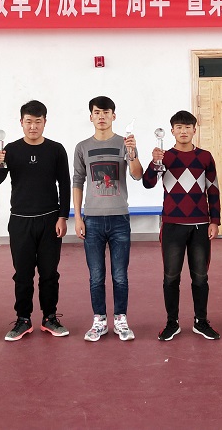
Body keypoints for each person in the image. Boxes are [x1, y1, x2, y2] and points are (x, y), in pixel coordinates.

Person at [0, 100, 71, 342]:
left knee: (49, 273)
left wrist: (62, 216)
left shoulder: (56, 149)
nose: (33, 126)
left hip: (49, 220)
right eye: (28, 122)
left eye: (37, 122)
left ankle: (50, 317)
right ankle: (23, 319)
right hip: (20, 221)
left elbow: (65, 185)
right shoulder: (11, 150)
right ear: (21, 123)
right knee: (22, 274)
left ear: (45, 122)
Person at [143, 110, 222, 341]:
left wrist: (215, 221)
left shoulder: (205, 157)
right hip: (172, 225)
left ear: (194, 130)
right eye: (179, 127)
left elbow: (213, 190)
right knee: (171, 277)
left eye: (188, 127)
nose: (183, 131)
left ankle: (201, 321)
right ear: (172, 131)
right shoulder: (164, 157)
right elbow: (148, 183)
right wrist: (154, 162)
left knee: (200, 276)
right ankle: (172, 322)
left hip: (200, 225)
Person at [73, 96, 143, 342]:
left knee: (120, 275)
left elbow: (137, 175)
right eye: (96, 112)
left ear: (114, 116)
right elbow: (77, 181)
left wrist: (132, 153)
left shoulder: (126, 143)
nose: (101, 116)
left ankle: (121, 320)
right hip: (92, 219)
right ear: (91, 116)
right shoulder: (82, 147)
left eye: (106, 112)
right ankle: (99, 321)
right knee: (96, 275)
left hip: (119, 218)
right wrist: (78, 217)